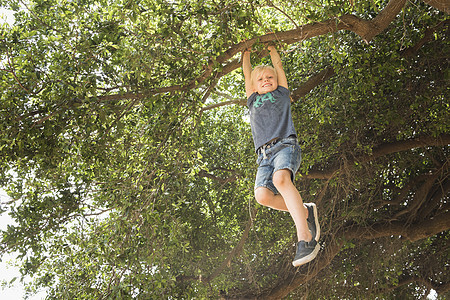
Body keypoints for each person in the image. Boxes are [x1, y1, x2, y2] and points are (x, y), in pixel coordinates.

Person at [242, 45, 320, 267]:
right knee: (262, 196)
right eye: (261, 80)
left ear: (276, 80)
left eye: (269, 78)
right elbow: (247, 74)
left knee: (280, 180)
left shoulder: (282, 93)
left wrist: (271, 48)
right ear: (253, 86)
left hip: (286, 145)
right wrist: (245, 54)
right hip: (263, 157)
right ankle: (305, 211)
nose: (266, 80)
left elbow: (278, 66)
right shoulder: (252, 99)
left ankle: (305, 239)